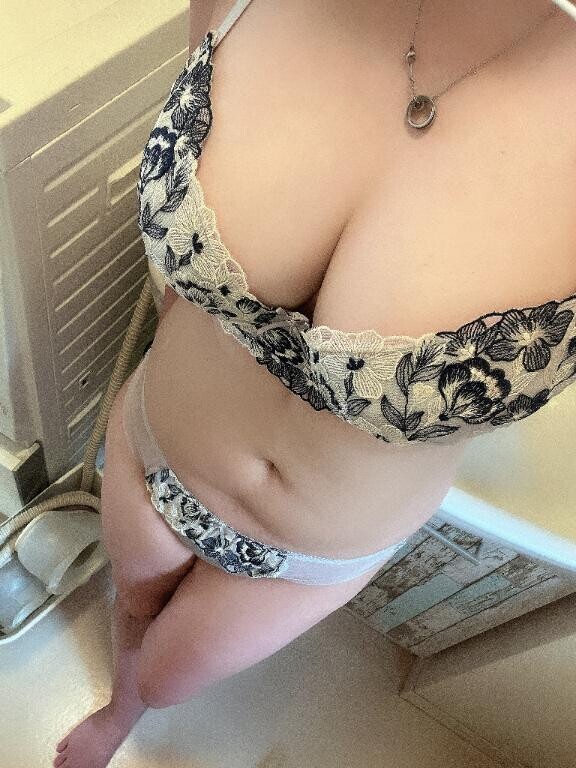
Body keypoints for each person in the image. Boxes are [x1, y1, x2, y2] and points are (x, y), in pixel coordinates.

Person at [53, 1, 576, 766]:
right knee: (131, 605)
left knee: (166, 678)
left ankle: (134, 704)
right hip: (156, 444)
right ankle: (115, 712)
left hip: (311, 555)